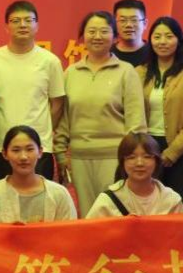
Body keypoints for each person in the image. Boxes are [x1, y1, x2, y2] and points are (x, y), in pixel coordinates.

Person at [54, 11, 145, 213]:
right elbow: (64, 119)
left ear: (114, 36)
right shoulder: (71, 73)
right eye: (91, 31)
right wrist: (60, 153)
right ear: (82, 36)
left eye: (104, 31)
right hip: (79, 159)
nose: (97, 36)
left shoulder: (126, 71)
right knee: (87, 214)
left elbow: (136, 121)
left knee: (115, 213)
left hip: (116, 157)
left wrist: (132, 157)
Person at [0, 0, 64, 184]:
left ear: (37, 25)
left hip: (38, 147)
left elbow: (58, 103)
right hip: (1, 147)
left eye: (28, 20)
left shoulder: (50, 61)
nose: (23, 25)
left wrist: (42, 130)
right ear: (6, 26)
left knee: (38, 199)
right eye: (16, 20)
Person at [137, 16, 183, 196]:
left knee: (182, 203)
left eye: (169, 36)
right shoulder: (139, 72)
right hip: (147, 149)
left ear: (179, 40)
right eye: (157, 36)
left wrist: (173, 151)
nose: (162, 42)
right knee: (149, 202)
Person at [0, 126, 77, 224]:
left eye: (29, 149)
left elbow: (69, 232)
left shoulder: (59, 195)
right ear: (4, 154)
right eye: (16, 150)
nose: (23, 157)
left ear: (40, 152)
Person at [85, 132, 183, 218]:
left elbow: (182, 233)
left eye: (147, 156)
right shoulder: (107, 201)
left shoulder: (171, 200)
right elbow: (88, 231)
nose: (139, 163)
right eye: (131, 157)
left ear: (157, 161)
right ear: (122, 162)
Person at [112, 0, 150, 67]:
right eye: (123, 20)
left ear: (145, 24)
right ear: (114, 23)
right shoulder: (107, 54)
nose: (128, 25)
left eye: (134, 20)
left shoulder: (154, 53)